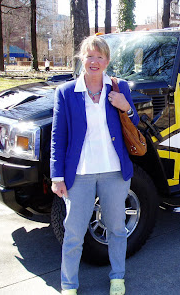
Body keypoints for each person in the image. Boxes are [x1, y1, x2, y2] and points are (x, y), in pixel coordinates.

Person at [50, 35, 139, 295]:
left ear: (107, 61)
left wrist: (127, 108)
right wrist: (57, 176)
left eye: (100, 57)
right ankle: (68, 285)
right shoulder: (66, 93)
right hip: (80, 175)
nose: (95, 61)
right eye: (90, 56)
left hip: (115, 172)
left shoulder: (119, 87)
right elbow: (58, 137)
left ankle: (118, 277)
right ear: (81, 58)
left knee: (116, 229)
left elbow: (133, 128)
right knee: (74, 234)